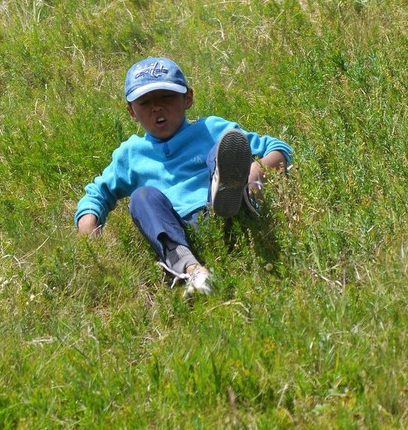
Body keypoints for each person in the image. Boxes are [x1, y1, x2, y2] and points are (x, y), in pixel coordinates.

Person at [75, 57, 292, 295]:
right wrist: (89, 232)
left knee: (220, 151)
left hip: (219, 209)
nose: (156, 107)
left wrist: (256, 172)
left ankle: (241, 196)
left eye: (166, 97)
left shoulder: (211, 129)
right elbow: (97, 194)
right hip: (177, 229)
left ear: (187, 98)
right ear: (131, 112)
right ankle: (192, 270)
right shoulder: (131, 154)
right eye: (145, 102)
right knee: (142, 197)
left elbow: (278, 148)